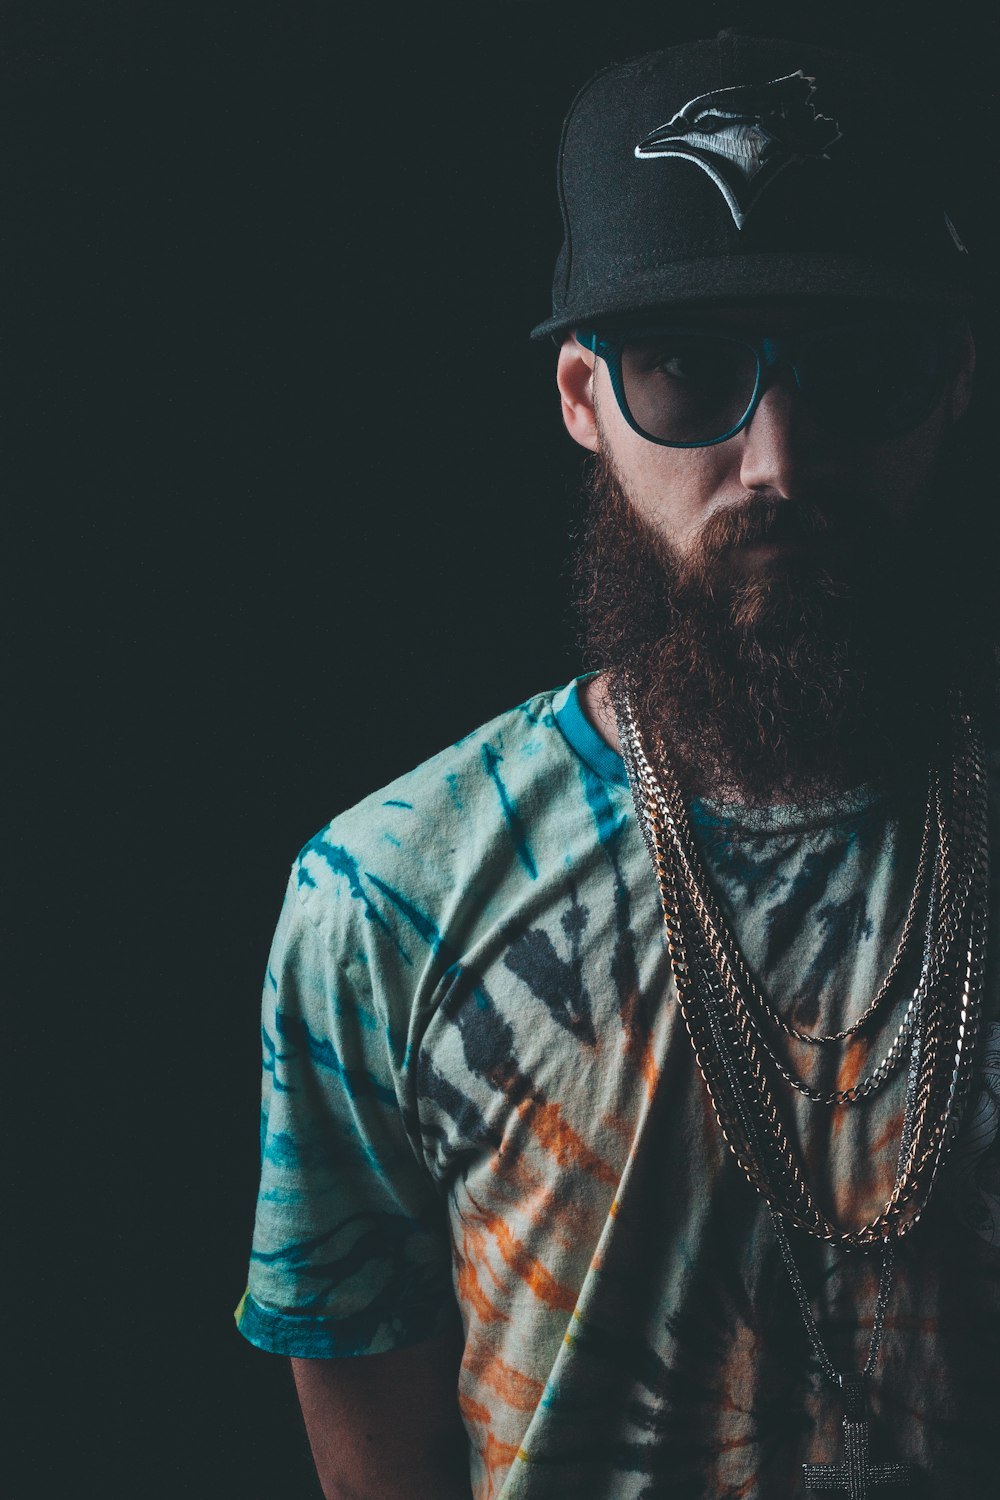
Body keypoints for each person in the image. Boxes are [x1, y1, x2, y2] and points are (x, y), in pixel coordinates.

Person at [235, 30, 1000, 1499]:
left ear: (955, 381)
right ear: (584, 400)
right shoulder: (384, 900)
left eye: (862, 373)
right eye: (690, 371)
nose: (777, 458)